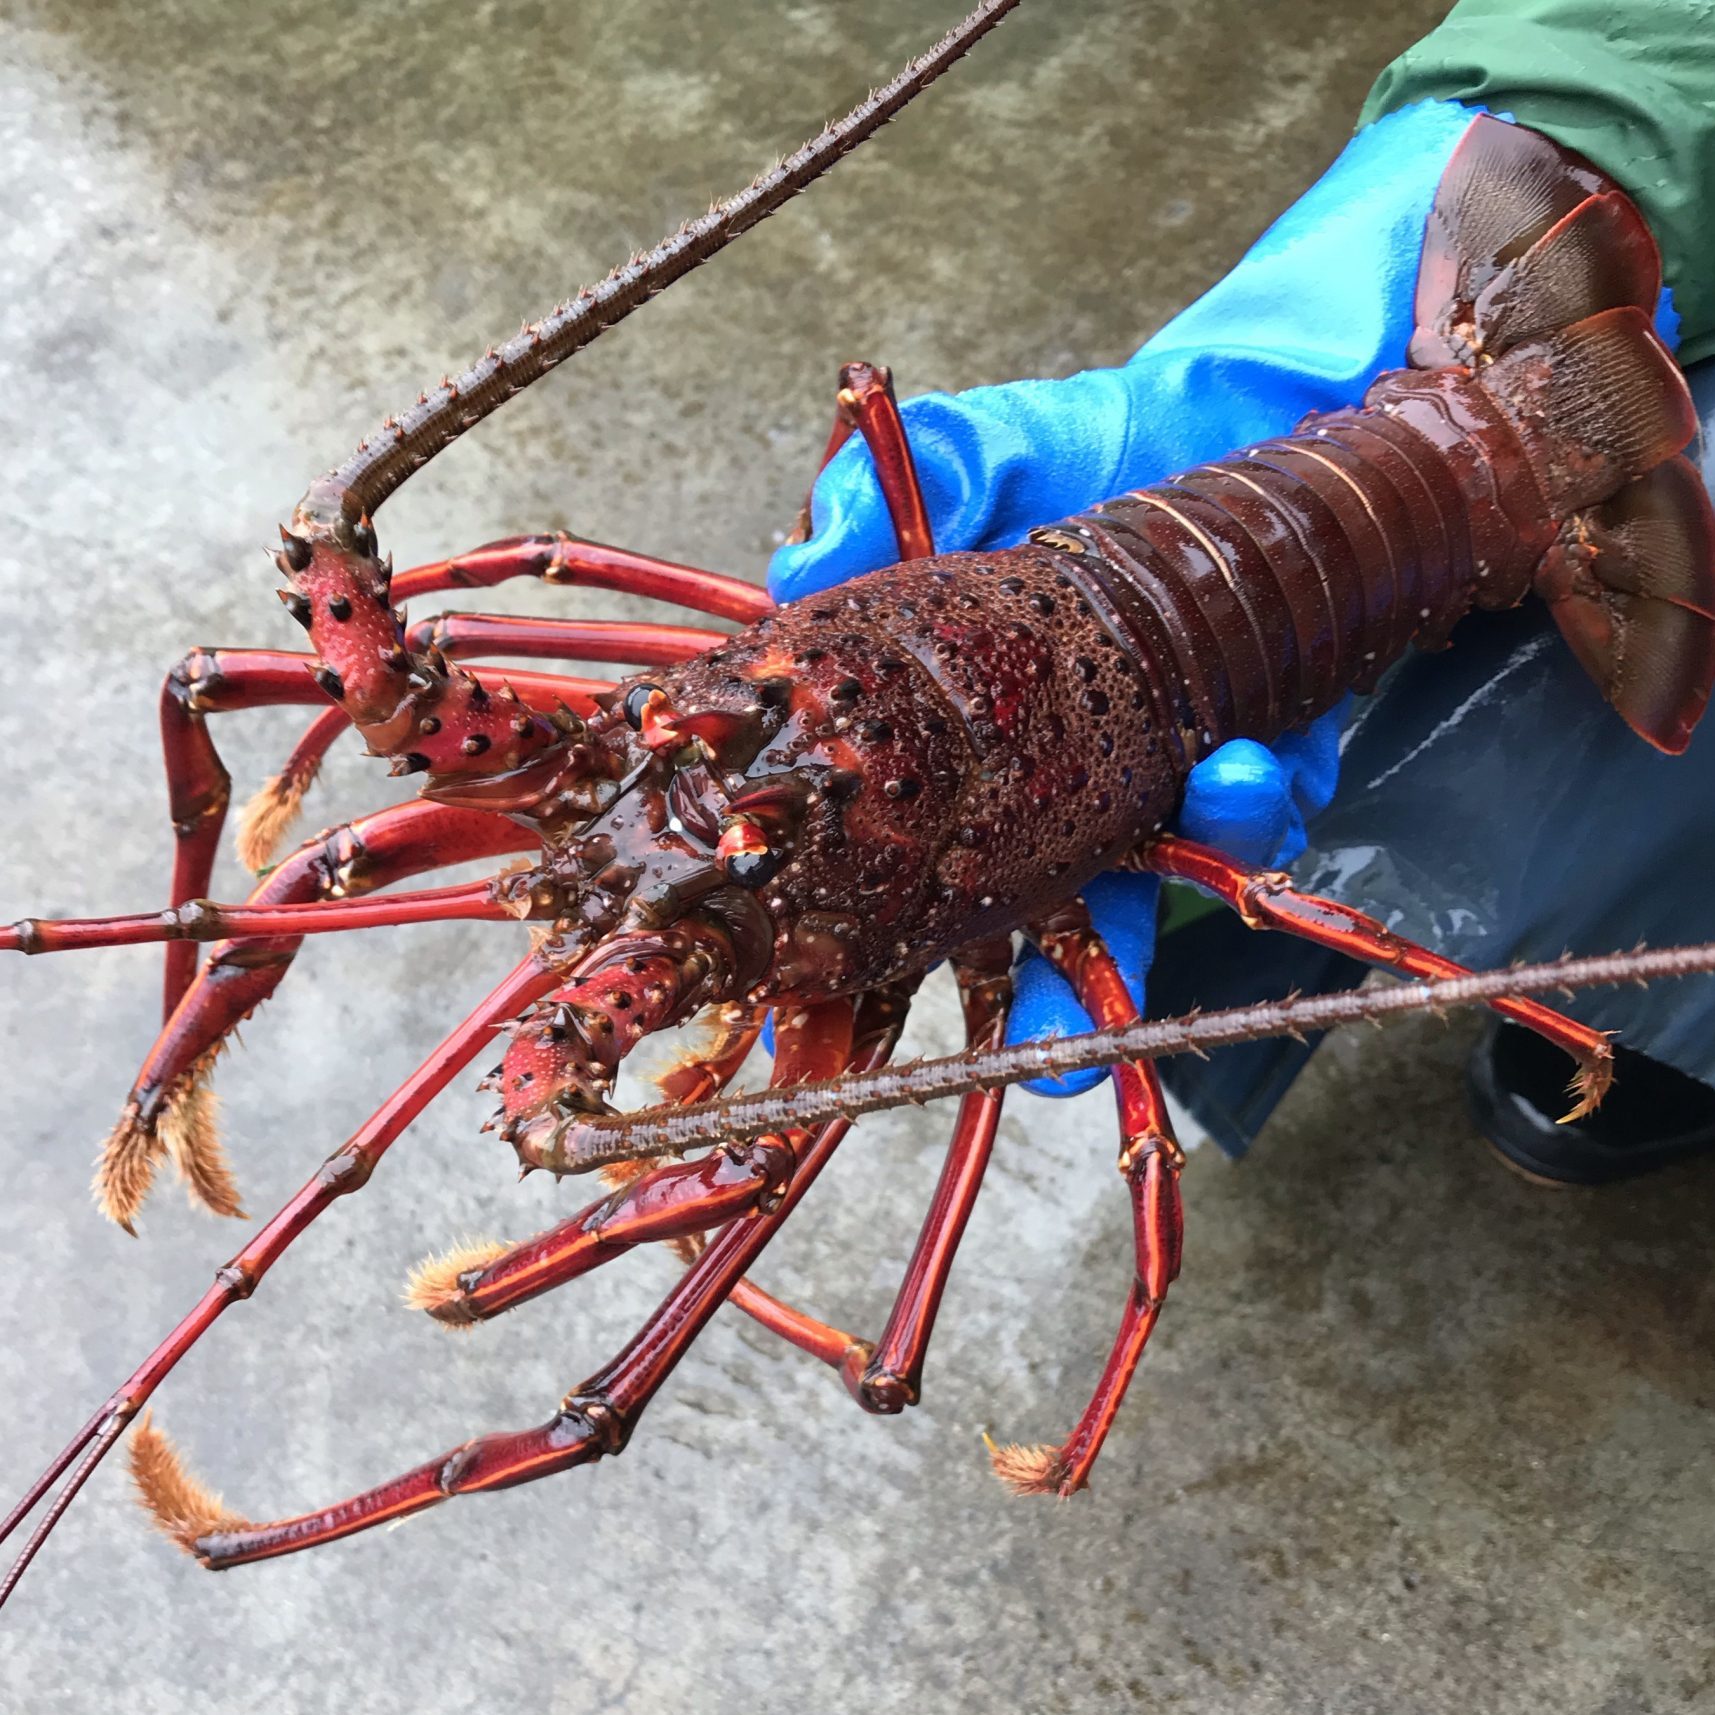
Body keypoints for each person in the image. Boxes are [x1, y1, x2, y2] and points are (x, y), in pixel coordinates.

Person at [767, 0, 1715, 1185]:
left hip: (1499, 364)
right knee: (1266, 824)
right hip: (1575, 191)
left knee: (1480, 787)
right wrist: (1607, 117)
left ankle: (1649, 1016)